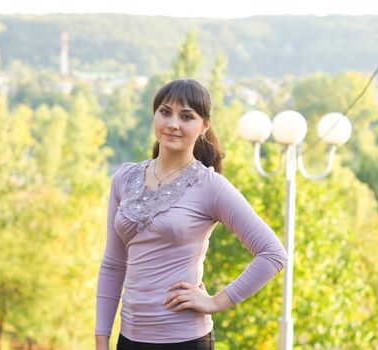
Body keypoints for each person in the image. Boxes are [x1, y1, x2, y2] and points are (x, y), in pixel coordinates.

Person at [95, 79, 288, 350]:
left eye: (186, 116)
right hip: (129, 339)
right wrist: (101, 340)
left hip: (185, 340)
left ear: (204, 126)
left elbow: (273, 254)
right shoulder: (124, 179)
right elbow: (114, 265)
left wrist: (217, 301)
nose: (173, 123)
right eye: (165, 112)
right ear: (155, 116)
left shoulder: (210, 186)